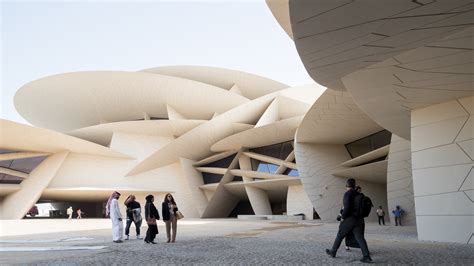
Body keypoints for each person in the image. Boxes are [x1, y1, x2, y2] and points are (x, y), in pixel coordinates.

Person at [326, 178, 372, 263]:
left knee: (340, 235)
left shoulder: (348, 194)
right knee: (360, 237)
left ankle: (333, 252)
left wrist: (343, 217)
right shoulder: (359, 194)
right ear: (354, 185)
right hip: (359, 219)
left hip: (350, 219)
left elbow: (346, 208)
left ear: (347, 186)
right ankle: (366, 256)